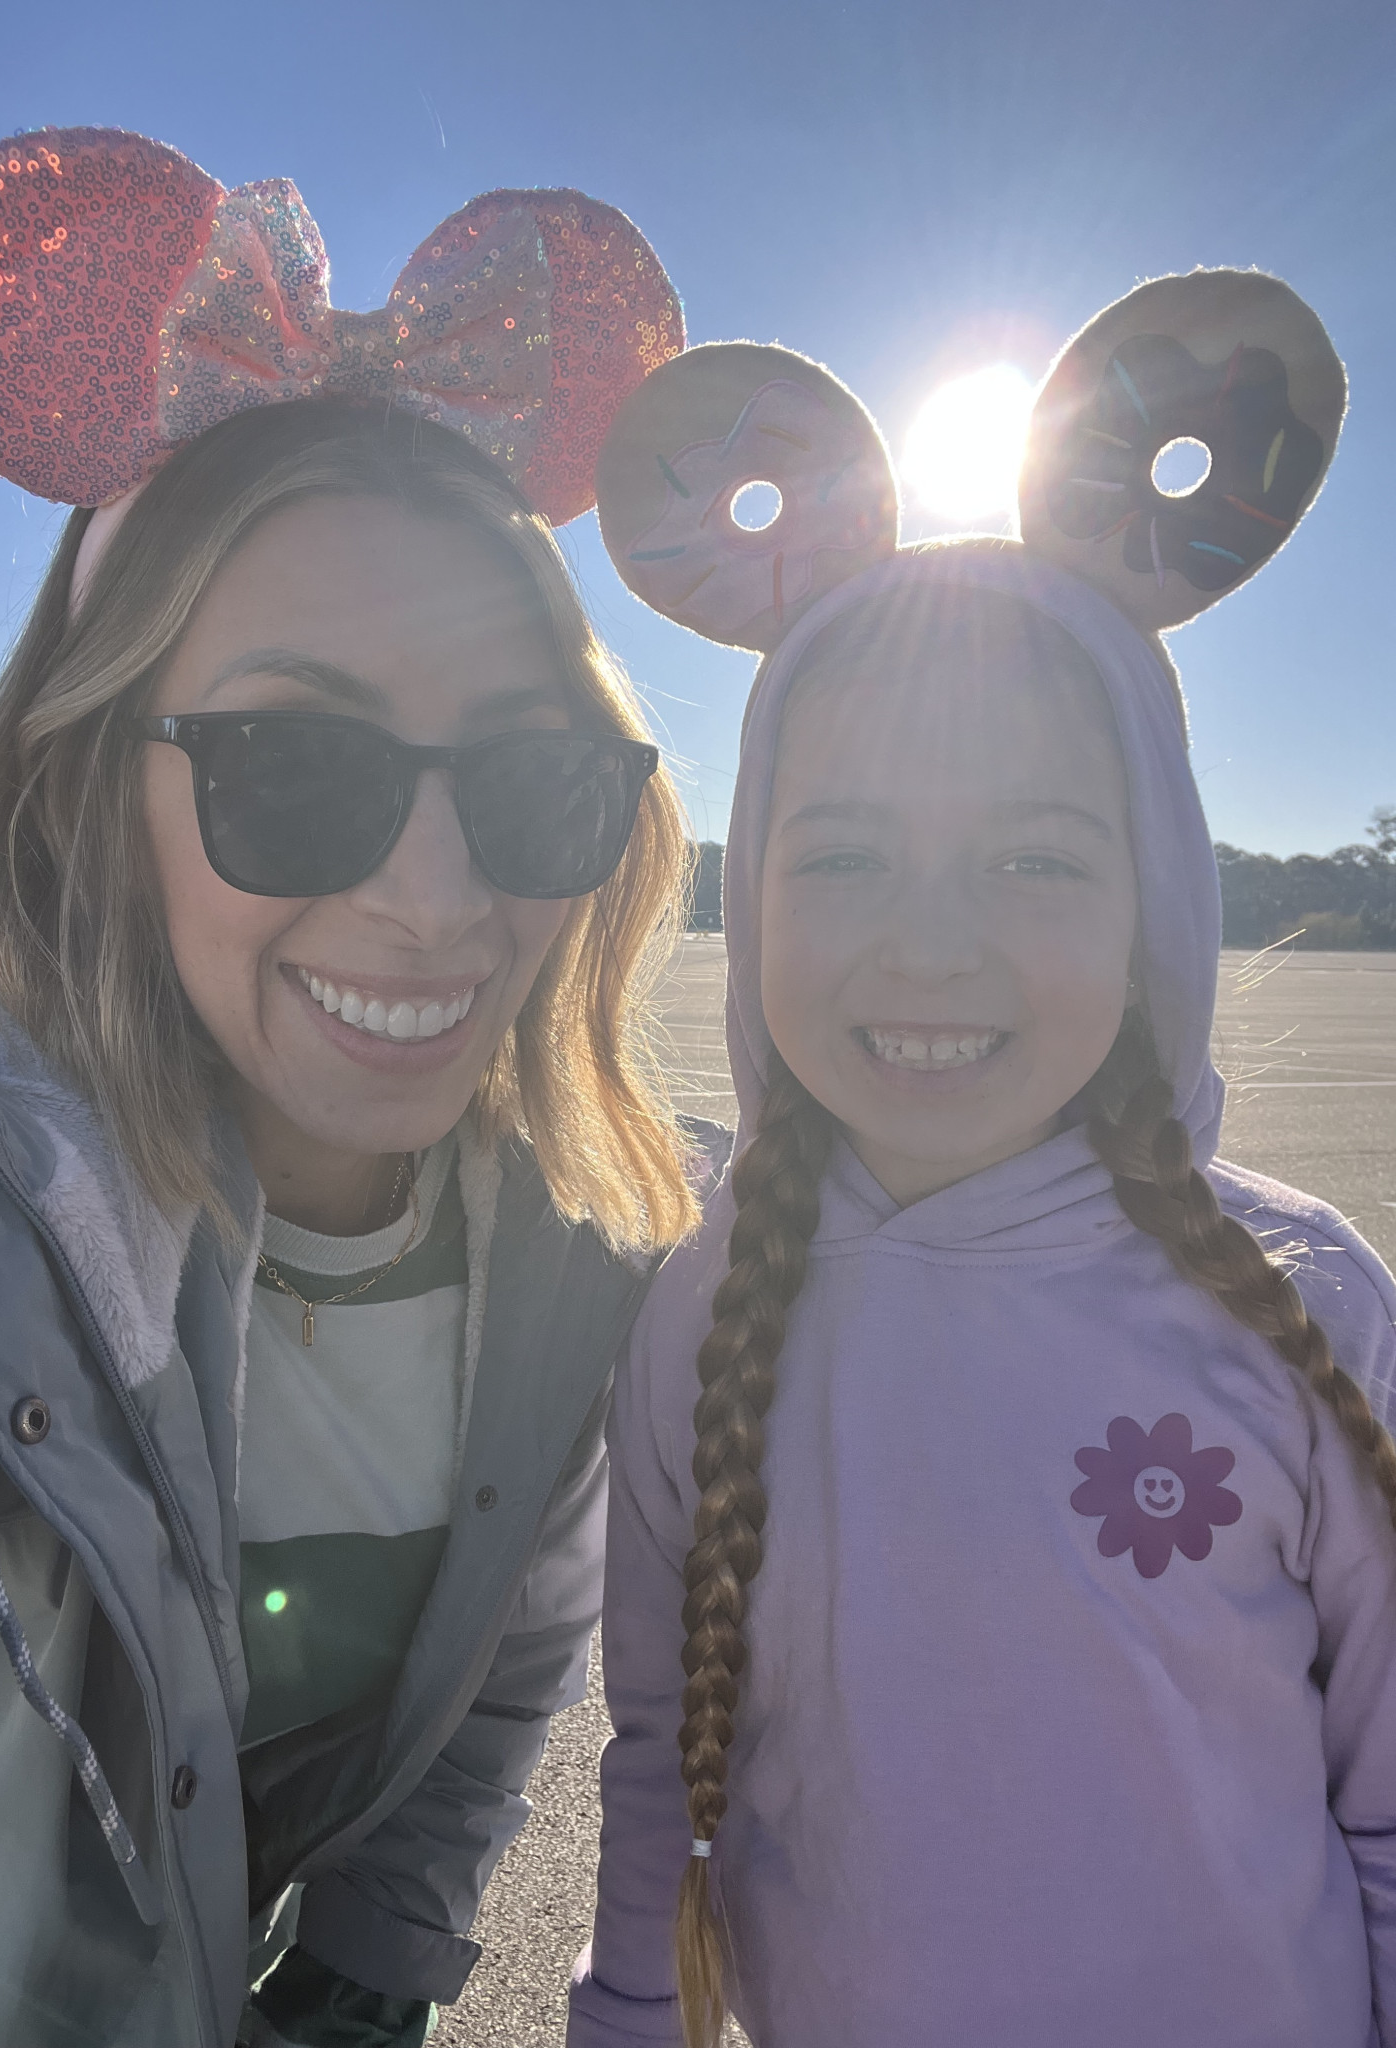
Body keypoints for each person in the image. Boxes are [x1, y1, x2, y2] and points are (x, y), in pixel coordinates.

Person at [0, 127, 712, 2048]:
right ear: (91, 786)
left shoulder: (574, 1251)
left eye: (533, 780)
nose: (438, 901)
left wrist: (371, 1973)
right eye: (297, 767)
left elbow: (514, 1644)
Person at [570, 276, 1396, 2046]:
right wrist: (629, 2014)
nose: (929, 949)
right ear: (752, 886)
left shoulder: (1303, 1302)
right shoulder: (705, 1312)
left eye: (1032, 862)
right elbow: (657, 1767)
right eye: (845, 858)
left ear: (1153, 904)